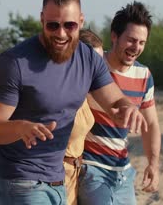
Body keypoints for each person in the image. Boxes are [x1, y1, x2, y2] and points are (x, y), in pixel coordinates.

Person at [0, 0, 147, 205]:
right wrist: (19, 127)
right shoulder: (15, 62)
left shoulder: (88, 59)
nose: (60, 33)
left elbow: (115, 100)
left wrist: (127, 108)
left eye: (69, 25)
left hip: (59, 180)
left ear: (81, 21)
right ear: (42, 20)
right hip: (20, 181)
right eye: (52, 25)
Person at [78, 2, 161, 205]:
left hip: (123, 171)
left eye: (142, 42)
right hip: (91, 167)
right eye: (131, 40)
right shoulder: (94, 65)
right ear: (114, 36)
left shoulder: (144, 75)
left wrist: (153, 164)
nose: (136, 47)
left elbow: (151, 125)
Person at [63, 29, 103, 205]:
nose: (99, 67)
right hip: (54, 175)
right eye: (94, 61)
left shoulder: (85, 92)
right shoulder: (60, 91)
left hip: (75, 174)